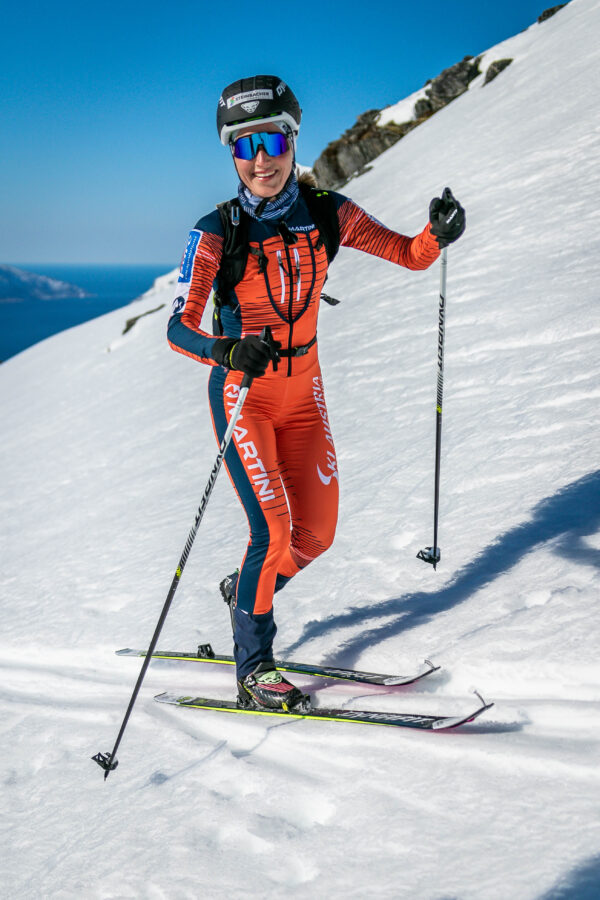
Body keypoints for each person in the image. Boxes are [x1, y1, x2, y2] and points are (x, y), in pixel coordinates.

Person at [167, 75, 465, 712]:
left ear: (292, 139)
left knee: (316, 535)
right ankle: (254, 667)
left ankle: (247, 589)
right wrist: (224, 349)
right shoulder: (217, 230)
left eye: (272, 140)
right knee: (271, 531)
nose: (262, 159)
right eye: (245, 147)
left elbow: (409, 255)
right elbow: (178, 325)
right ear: (231, 156)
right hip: (244, 397)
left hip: (304, 394)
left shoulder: (327, 211)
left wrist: (437, 233)